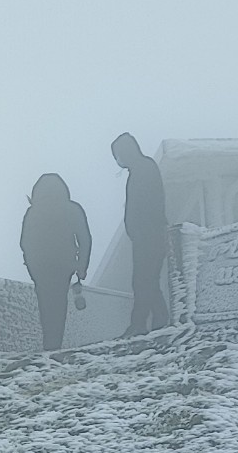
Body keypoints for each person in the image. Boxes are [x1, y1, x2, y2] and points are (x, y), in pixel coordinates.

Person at [18, 173, 93, 351]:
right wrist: (81, 267)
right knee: (59, 305)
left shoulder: (33, 212)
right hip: (64, 266)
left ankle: (49, 345)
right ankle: (54, 346)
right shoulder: (72, 209)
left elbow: (25, 242)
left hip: (41, 268)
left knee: (46, 306)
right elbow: (85, 239)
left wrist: (31, 268)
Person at [111, 132, 172, 335]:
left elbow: (149, 204)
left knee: (143, 280)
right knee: (148, 280)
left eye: (117, 155)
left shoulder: (143, 169)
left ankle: (141, 324)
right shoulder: (141, 168)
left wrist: (141, 230)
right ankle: (158, 322)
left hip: (149, 234)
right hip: (145, 234)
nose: (117, 161)